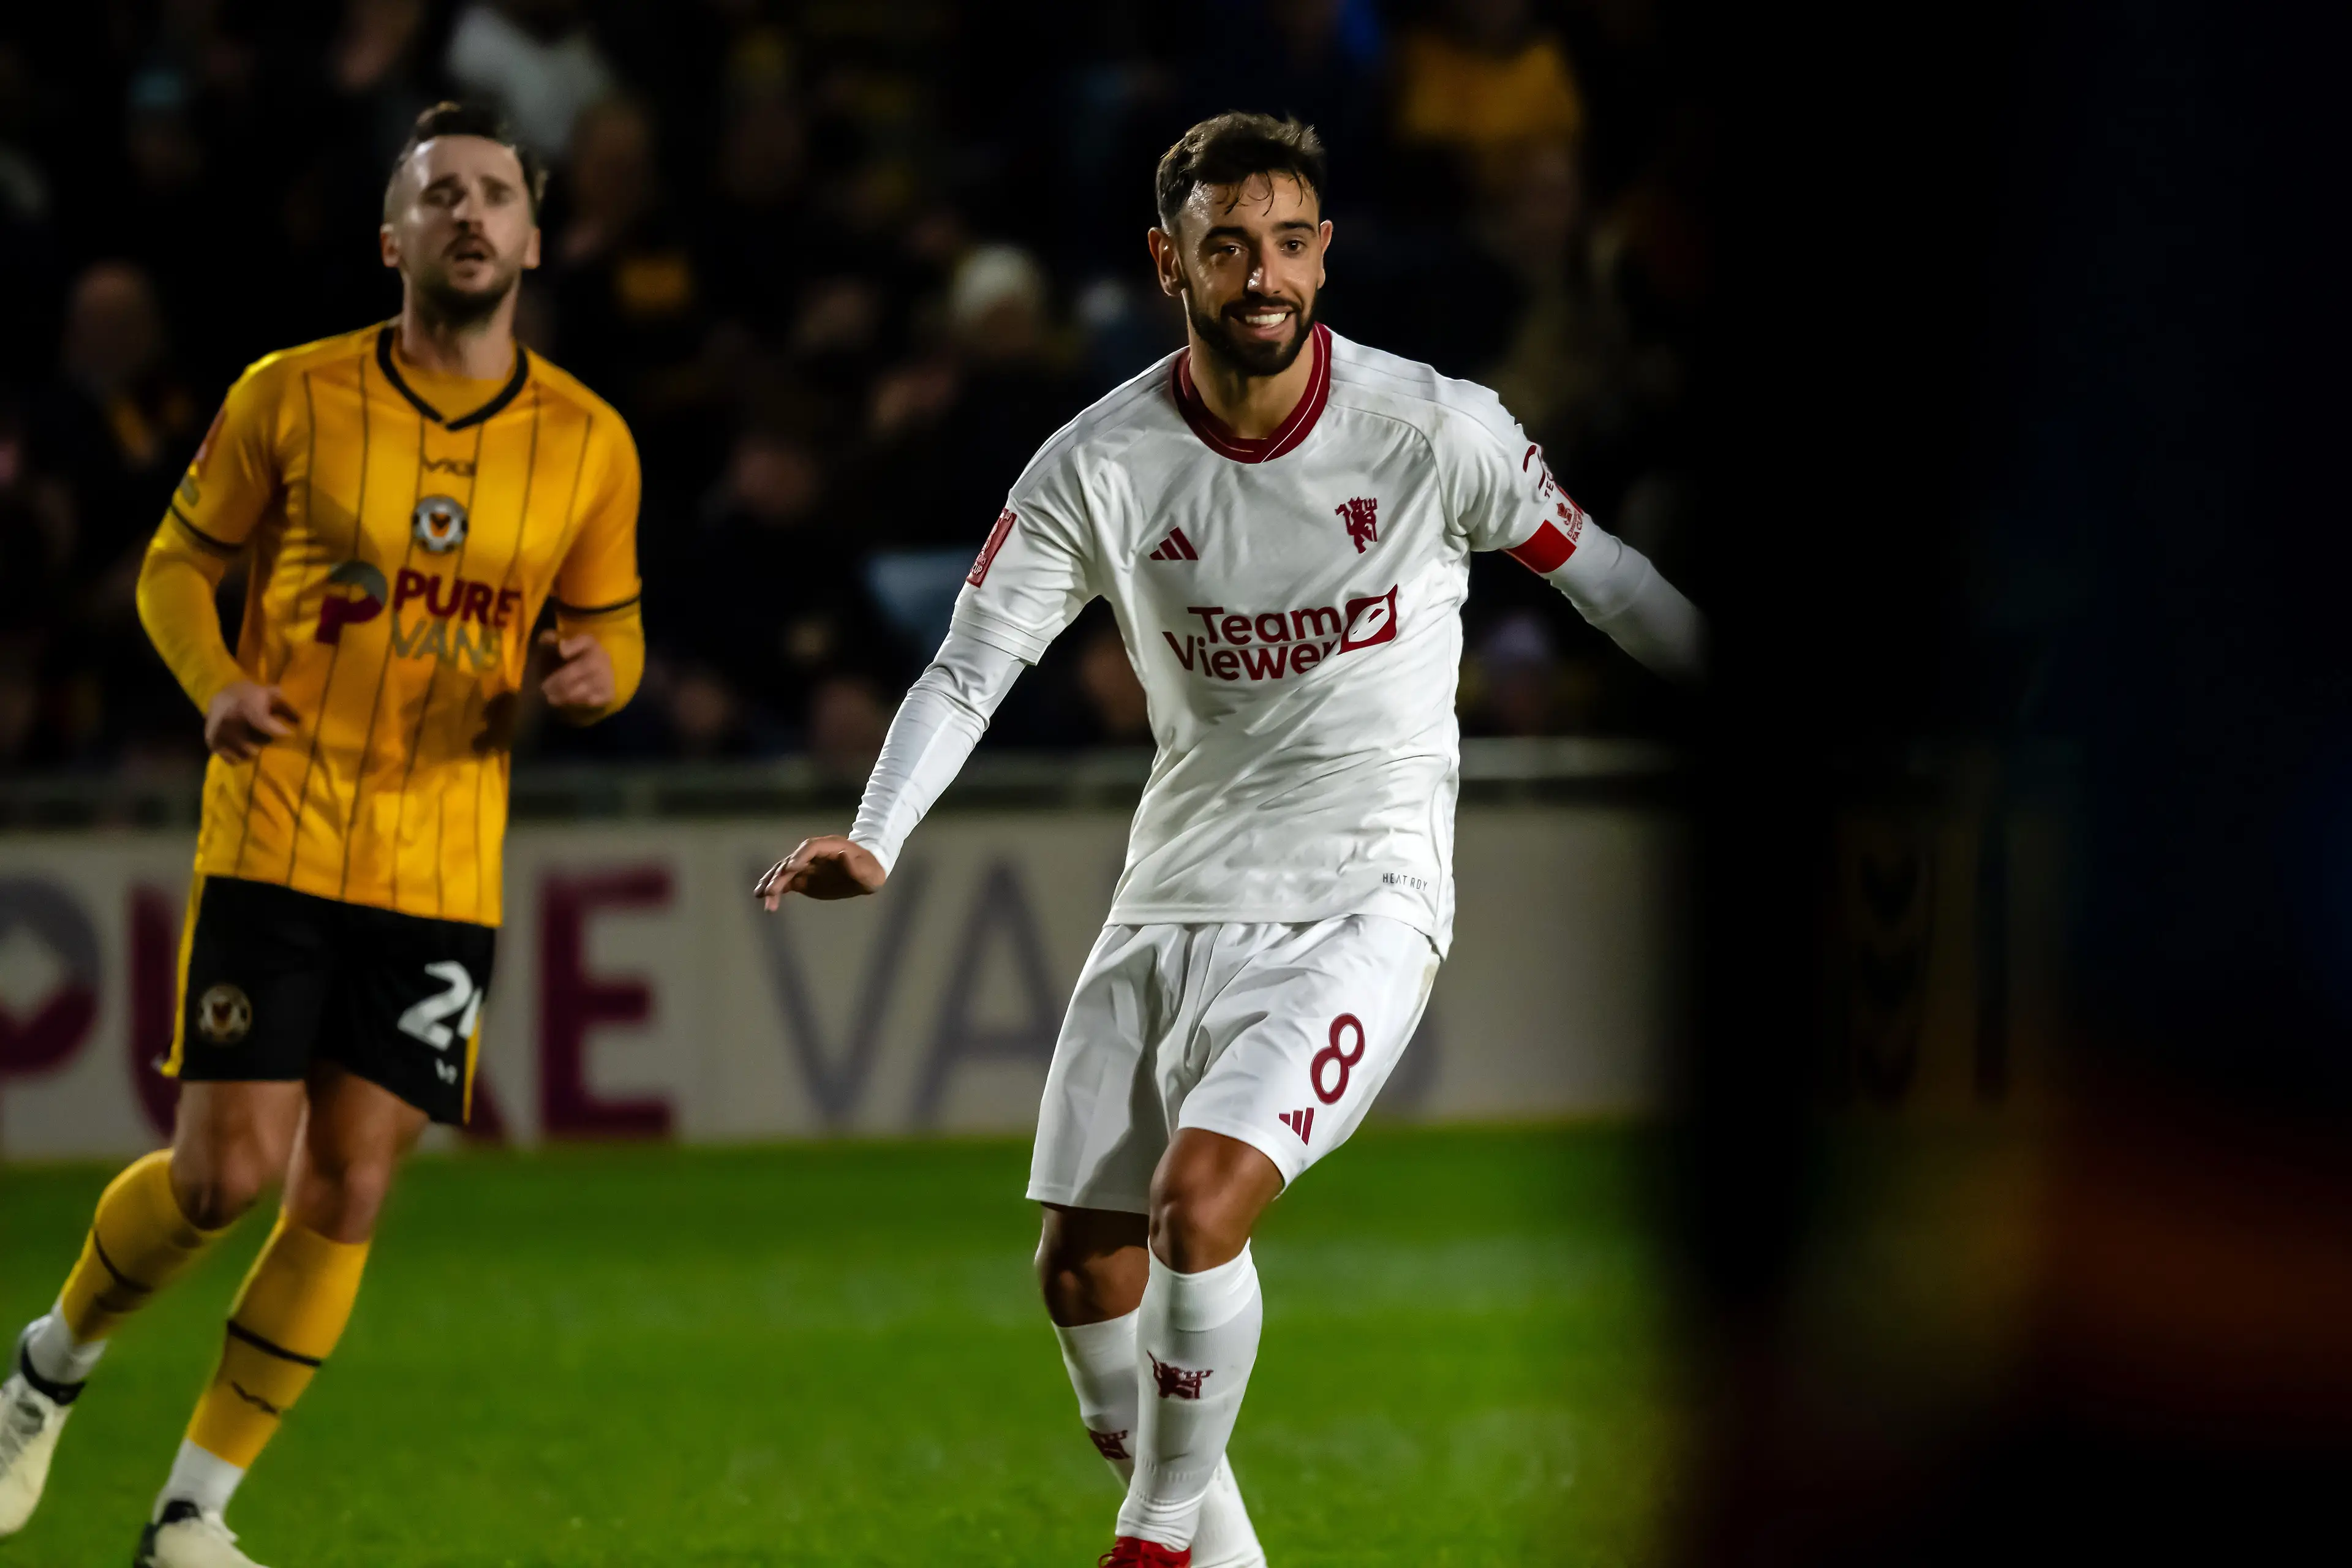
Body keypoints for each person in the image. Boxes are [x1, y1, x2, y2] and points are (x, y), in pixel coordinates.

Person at [755, 111, 1700, 1566]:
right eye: (1227, 245)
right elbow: (969, 666)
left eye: (1288, 242)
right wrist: (878, 836)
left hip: (1364, 893)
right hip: (1174, 890)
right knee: (1085, 1271)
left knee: (1201, 1207)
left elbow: (1612, 579)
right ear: (1169, 260)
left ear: (1324, 255)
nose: (1262, 273)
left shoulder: (1434, 428)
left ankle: (1148, 1536)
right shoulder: (1101, 462)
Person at [0, 102, 644, 1568]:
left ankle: (191, 1518)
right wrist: (218, 684)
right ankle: (47, 1367)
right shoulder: (289, 395)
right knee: (225, 1173)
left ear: (535, 239)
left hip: (442, 862)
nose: (469, 216)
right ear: (392, 239)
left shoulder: (591, 445)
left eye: (494, 196)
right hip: (280, 830)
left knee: (349, 1179)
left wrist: (605, 677)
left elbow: (614, 624)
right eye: (440, 197)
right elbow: (177, 566)